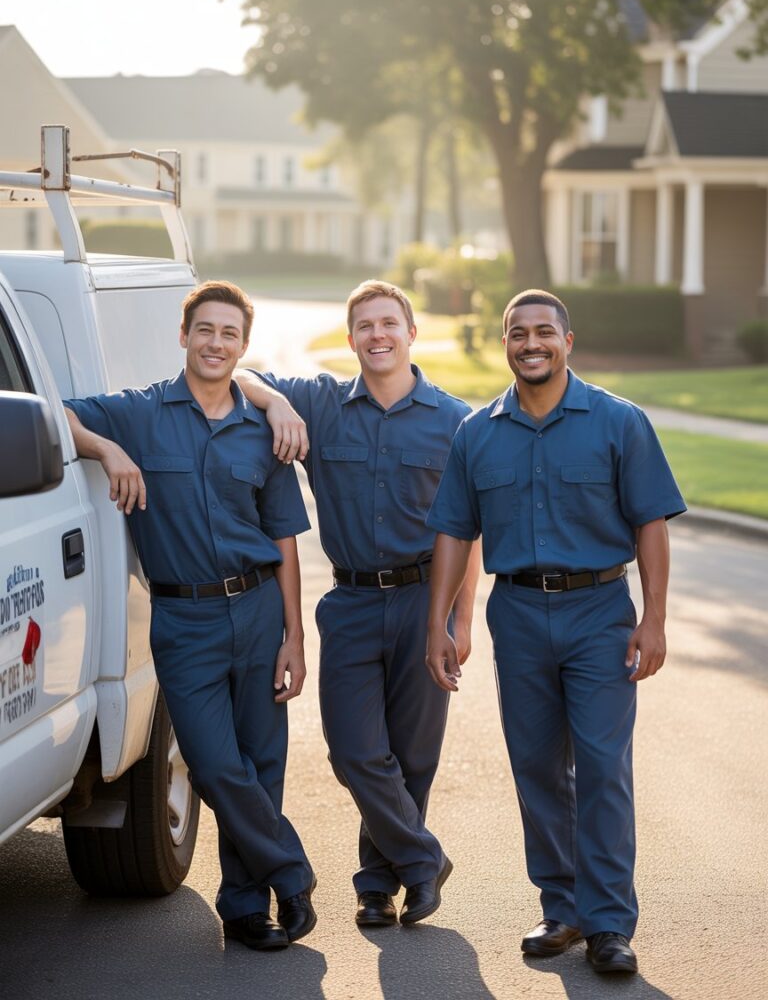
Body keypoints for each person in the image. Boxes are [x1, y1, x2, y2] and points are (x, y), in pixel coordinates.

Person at [425, 289, 686, 975]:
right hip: (517, 614)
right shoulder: (476, 432)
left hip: (600, 613)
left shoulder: (617, 422)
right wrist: (438, 624)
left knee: (602, 767)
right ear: (504, 342)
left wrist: (653, 619)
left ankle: (607, 923)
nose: (531, 342)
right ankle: (561, 906)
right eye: (518, 333)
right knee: (537, 763)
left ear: (569, 341)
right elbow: (455, 531)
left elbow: (650, 524)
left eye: (544, 331)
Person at [63, 281, 316, 952]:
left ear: (243, 346)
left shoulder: (263, 428)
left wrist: (294, 635)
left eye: (229, 334)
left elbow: (285, 539)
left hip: (260, 608)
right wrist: (107, 449)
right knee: (211, 764)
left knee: (262, 762)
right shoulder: (140, 415)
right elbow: (50, 414)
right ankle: (290, 872)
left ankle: (244, 907)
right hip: (184, 621)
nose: (215, 343)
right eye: (205, 330)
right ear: (183, 335)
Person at [235, 280, 479, 928]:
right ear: (351, 340)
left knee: (413, 754)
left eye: (388, 324)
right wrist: (279, 406)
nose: (378, 336)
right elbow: (245, 374)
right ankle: (423, 861)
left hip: (426, 600)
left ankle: (379, 884)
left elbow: (468, 528)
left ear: (410, 334)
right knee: (352, 751)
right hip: (348, 602)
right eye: (365, 326)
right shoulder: (319, 403)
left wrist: (461, 617)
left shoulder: (454, 419)